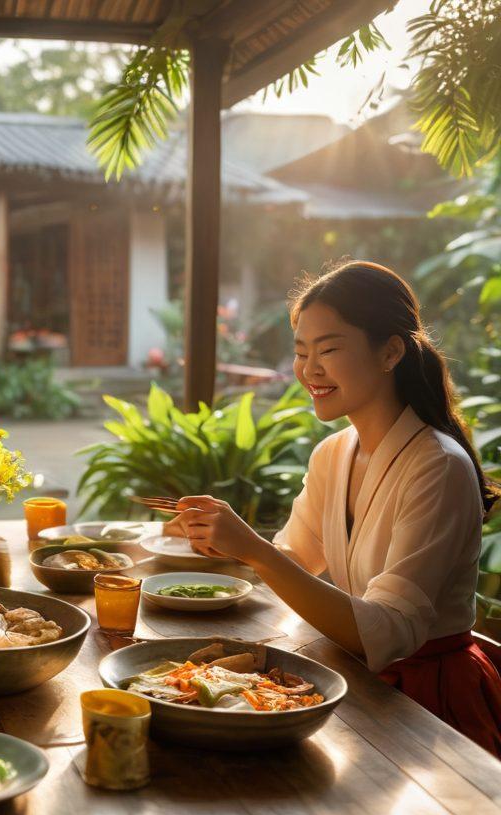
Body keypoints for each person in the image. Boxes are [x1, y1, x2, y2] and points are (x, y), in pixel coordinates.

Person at [176, 260, 501, 758]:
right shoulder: (333, 453)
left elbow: (390, 633)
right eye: (302, 353)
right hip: (354, 681)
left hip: (429, 704)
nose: (310, 370)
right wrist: (210, 538)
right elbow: (296, 558)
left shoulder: (439, 466)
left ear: (391, 350)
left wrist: (256, 552)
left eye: (328, 349)